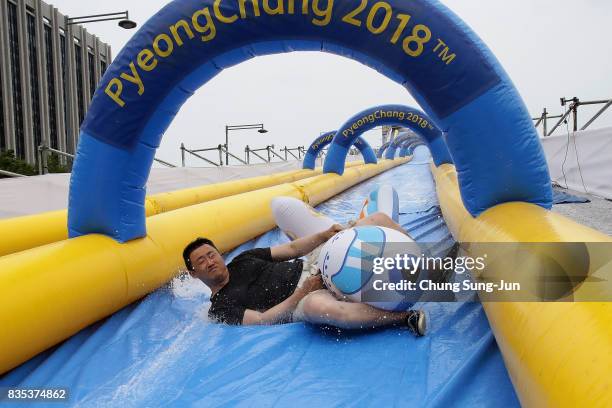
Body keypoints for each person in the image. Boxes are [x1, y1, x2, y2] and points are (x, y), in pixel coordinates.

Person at [182, 212, 426, 336]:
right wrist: (303, 292)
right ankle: (406, 317)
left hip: (312, 264)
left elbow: (291, 248)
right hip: (299, 300)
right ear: (193, 273)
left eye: (211, 254)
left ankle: (427, 264)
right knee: (320, 310)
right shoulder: (220, 308)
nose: (210, 261)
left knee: (377, 219)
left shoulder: (244, 259)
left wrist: (324, 235)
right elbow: (262, 320)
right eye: (201, 261)